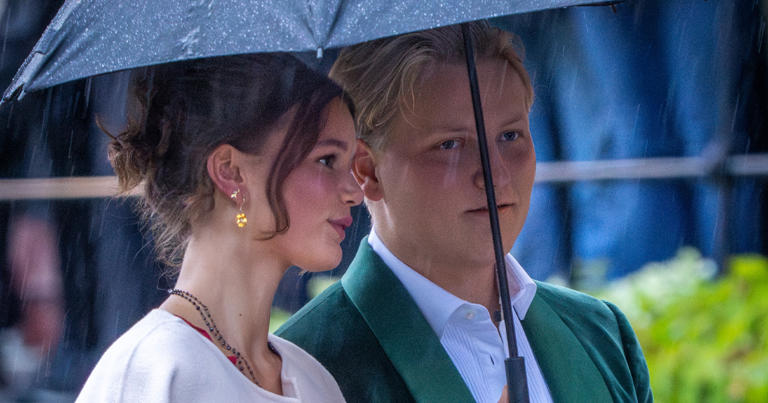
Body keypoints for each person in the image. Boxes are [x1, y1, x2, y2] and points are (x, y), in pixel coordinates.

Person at [276, 22, 652, 402]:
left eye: (510, 135)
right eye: (450, 144)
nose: (495, 173)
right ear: (367, 171)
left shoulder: (601, 333)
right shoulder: (299, 371)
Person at [76, 53, 361, 401]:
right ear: (231, 172)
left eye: (350, 164)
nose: (354, 192)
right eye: (326, 160)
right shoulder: (151, 371)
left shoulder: (316, 381)